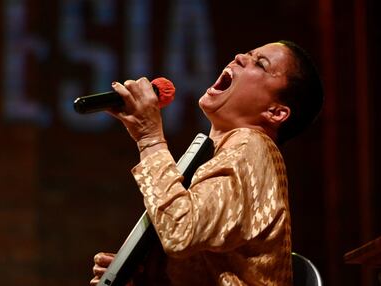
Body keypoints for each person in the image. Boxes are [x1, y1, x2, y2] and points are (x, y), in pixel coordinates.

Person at [90, 40, 324, 286]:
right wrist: (145, 276)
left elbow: (180, 231)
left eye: (260, 64)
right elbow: (201, 264)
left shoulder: (252, 145)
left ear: (275, 113)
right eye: (247, 53)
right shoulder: (220, 154)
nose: (240, 57)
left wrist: (149, 139)